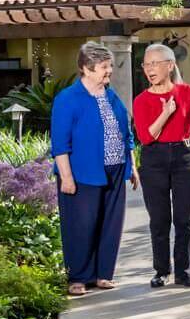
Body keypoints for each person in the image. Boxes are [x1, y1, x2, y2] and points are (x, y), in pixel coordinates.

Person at [51, 42, 138, 297]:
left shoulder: (111, 96)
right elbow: (59, 143)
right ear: (86, 69)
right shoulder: (68, 99)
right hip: (81, 173)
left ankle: (103, 274)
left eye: (109, 66)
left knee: (110, 223)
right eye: (103, 67)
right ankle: (78, 277)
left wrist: (132, 165)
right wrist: (66, 176)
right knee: (80, 225)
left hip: (114, 169)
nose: (109, 71)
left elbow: (126, 134)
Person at [132, 43, 190, 289]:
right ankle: (161, 271)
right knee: (159, 219)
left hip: (183, 156)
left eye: (155, 63)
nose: (149, 69)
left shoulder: (187, 92)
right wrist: (166, 113)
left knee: (184, 219)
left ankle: (183, 271)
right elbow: (146, 137)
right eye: (146, 64)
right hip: (153, 158)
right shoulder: (141, 100)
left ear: (170, 65)